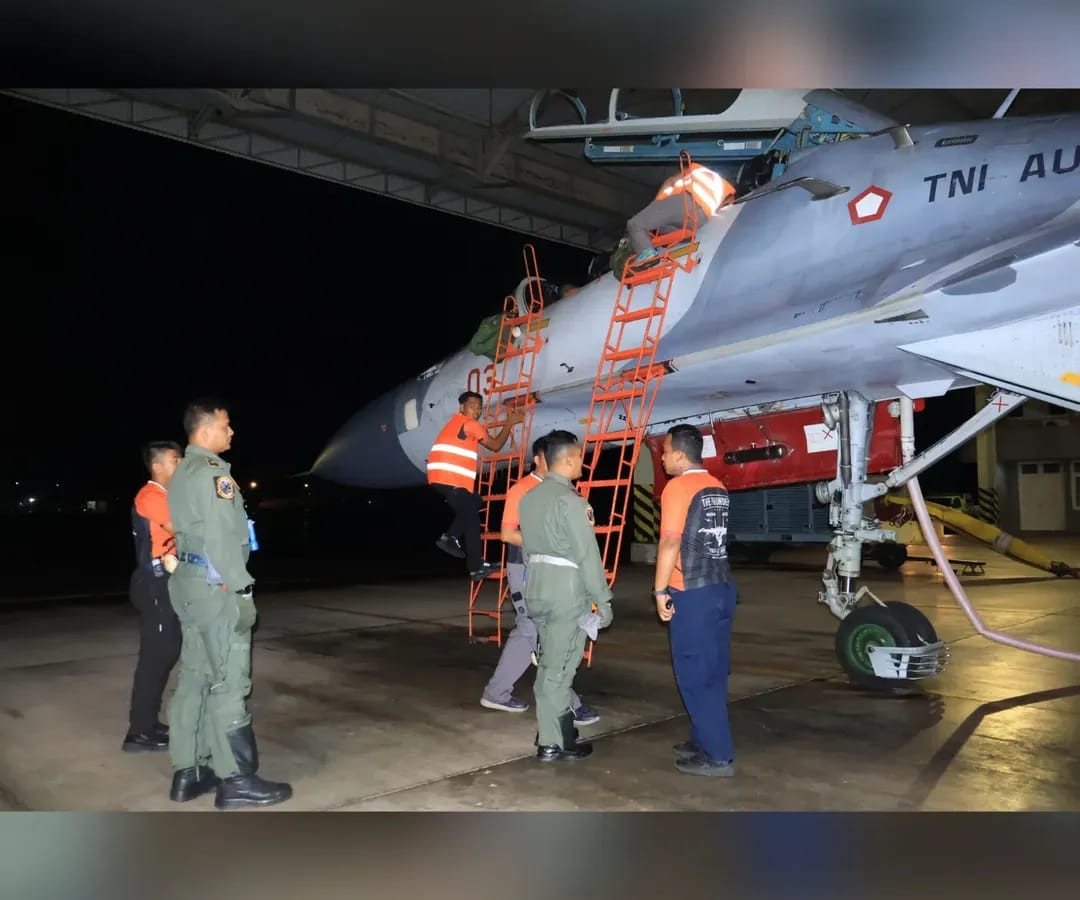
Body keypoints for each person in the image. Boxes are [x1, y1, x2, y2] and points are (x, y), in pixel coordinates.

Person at [166, 399, 292, 809]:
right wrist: (241, 591)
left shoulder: (182, 472)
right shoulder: (213, 474)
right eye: (226, 425)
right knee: (230, 681)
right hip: (215, 586)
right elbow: (222, 539)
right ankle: (237, 780)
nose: (231, 432)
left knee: (195, 676)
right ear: (204, 431)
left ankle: (190, 771)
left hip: (188, 582)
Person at [479, 433, 600, 727]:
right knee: (547, 634)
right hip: (527, 570)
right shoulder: (523, 489)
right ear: (540, 459)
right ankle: (569, 702)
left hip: (556, 572)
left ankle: (496, 692)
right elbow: (508, 535)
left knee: (528, 632)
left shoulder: (563, 490)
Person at [518, 430, 613, 761]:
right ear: (569, 459)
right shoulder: (572, 503)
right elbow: (588, 556)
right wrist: (603, 601)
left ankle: (557, 737)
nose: (582, 463)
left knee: (549, 665)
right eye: (580, 458)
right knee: (559, 671)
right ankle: (553, 742)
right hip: (565, 594)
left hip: (537, 590)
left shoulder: (528, 499)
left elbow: (527, 551)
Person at [653, 423, 737, 777]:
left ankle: (718, 757)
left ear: (679, 453)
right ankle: (703, 737)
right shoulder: (716, 485)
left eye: (665, 450)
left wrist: (659, 590)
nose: (662, 457)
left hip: (693, 593)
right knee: (714, 671)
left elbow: (671, 542)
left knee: (694, 674)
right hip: (721, 587)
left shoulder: (677, 487)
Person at [121, 440, 184, 753]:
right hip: (155, 584)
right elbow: (181, 529)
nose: (181, 464)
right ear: (158, 465)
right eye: (176, 459)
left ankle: (147, 723)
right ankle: (139, 733)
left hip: (164, 584)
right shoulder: (152, 495)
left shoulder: (165, 496)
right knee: (155, 658)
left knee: (164, 654)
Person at [428, 391, 525, 581]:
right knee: (472, 519)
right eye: (472, 405)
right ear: (461, 407)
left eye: (479, 406)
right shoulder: (470, 424)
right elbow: (495, 445)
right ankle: (476, 567)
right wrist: (509, 422)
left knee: (475, 501)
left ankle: (450, 538)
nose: (477, 409)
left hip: (444, 478)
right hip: (450, 479)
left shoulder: (456, 424)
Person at [626, 161, 734, 269]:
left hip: (685, 203)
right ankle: (684, 238)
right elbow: (730, 201)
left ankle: (646, 253)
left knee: (635, 224)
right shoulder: (715, 181)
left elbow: (671, 181)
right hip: (701, 218)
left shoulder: (692, 169)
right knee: (662, 227)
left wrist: (656, 204)